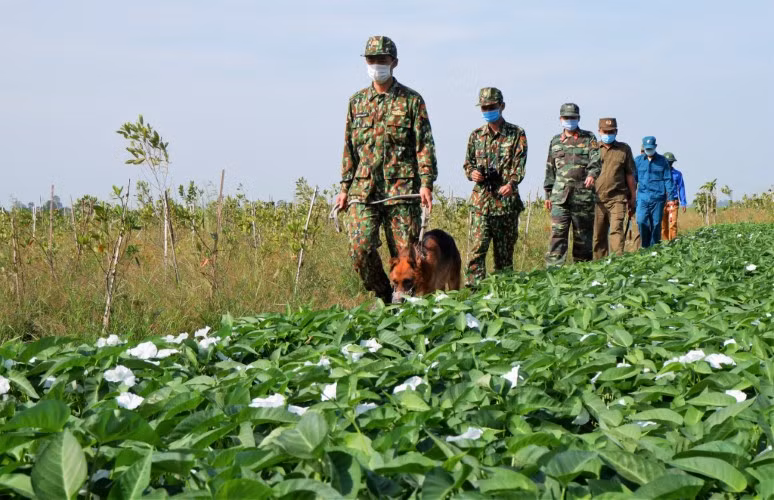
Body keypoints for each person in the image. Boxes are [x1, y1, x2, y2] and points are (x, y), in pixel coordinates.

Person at [335, 36, 437, 303]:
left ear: (394, 63)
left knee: (406, 257)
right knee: (360, 250)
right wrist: (344, 188)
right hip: (364, 190)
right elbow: (348, 147)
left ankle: (407, 304)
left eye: (382, 60)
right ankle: (385, 294)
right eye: (371, 60)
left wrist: (426, 182)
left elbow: (424, 144)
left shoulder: (412, 101)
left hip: (402, 191)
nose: (376, 65)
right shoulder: (356, 102)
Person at [463, 87, 527, 285]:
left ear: (502, 106)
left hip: (506, 205)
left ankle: (503, 295)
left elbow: (519, 165)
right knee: (476, 250)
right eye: (484, 107)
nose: (487, 110)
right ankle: (475, 292)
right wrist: (471, 173)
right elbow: (468, 163)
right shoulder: (475, 136)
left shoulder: (516, 134)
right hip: (481, 203)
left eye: (491, 106)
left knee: (504, 257)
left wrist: (512, 183)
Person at [543, 103, 601, 267]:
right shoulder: (555, 141)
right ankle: (553, 273)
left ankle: (582, 275)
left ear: (578, 118)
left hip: (582, 197)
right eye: (567, 118)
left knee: (583, 238)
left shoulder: (589, 138)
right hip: (560, 198)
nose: (570, 120)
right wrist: (548, 194)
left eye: (573, 117)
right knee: (557, 236)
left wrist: (591, 174)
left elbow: (596, 160)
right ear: (561, 119)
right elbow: (550, 169)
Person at [592, 118, 636, 259]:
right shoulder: (592, 149)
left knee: (616, 231)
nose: (608, 134)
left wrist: (633, 197)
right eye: (605, 131)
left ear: (616, 131)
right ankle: (598, 266)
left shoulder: (624, 149)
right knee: (598, 236)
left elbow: (630, 174)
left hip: (617, 198)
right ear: (599, 131)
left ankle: (617, 264)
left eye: (611, 131)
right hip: (596, 199)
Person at [634, 136, 676, 248]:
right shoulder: (638, 161)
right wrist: (630, 196)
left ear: (655, 147)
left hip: (658, 198)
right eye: (647, 149)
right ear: (644, 148)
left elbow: (668, 179)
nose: (649, 150)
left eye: (651, 148)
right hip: (642, 198)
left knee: (656, 224)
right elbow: (633, 180)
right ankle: (645, 246)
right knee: (641, 221)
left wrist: (671, 198)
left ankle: (655, 248)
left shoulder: (663, 161)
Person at [661, 152, 686, 241]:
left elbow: (681, 188)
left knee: (673, 224)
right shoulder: (660, 173)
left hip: (673, 203)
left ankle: (673, 244)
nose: (669, 164)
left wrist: (683, 203)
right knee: (663, 227)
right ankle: (665, 245)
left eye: (671, 162)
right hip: (662, 203)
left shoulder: (678, 174)